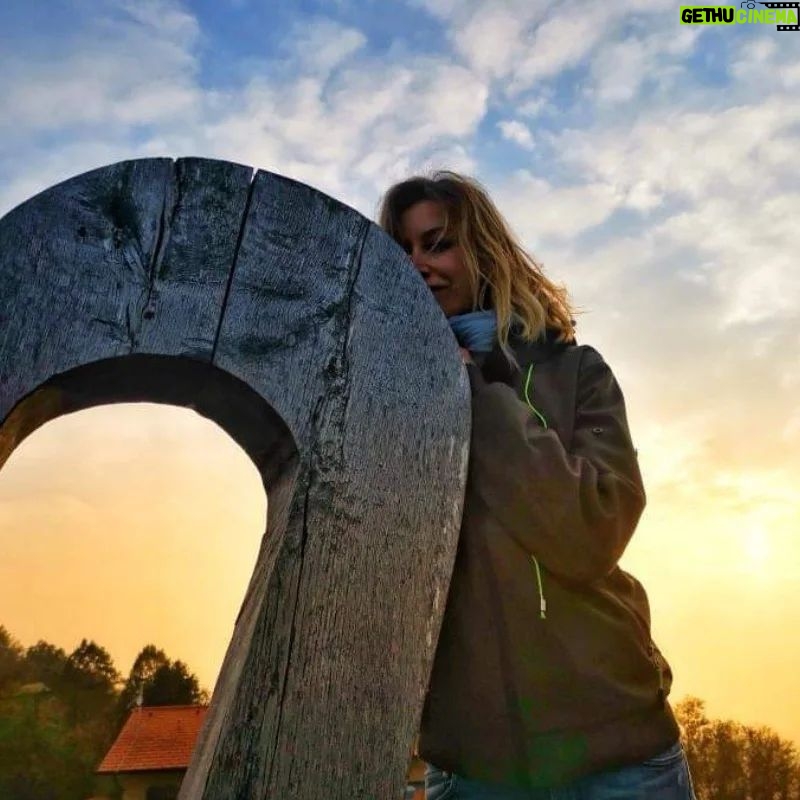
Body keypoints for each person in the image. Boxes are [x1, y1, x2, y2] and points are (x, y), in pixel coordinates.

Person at [379, 173, 696, 799]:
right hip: (474, 770)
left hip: (620, 756)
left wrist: (475, 391)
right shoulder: (384, 398)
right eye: (400, 252)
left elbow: (590, 531)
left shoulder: (575, 373)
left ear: (483, 253)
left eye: (437, 243)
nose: (417, 265)